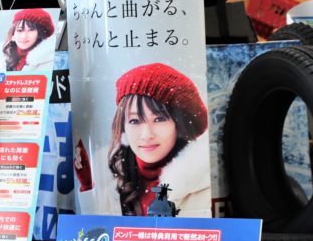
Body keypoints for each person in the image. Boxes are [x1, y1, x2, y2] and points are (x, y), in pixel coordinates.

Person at [75, 62, 211, 216]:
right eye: (134, 121)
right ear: (123, 125)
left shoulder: (202, 186)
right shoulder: (111, 179)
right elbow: (100, 229)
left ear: (179, 124)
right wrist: (88, 187)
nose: (146, 135)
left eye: (159, 119)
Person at [0, 8, 55, 73]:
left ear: (40, 34)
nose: (24, 36)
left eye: (31, 30)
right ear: (13, 34)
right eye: (20, 30)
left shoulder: (49, 59)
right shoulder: (2, 56)